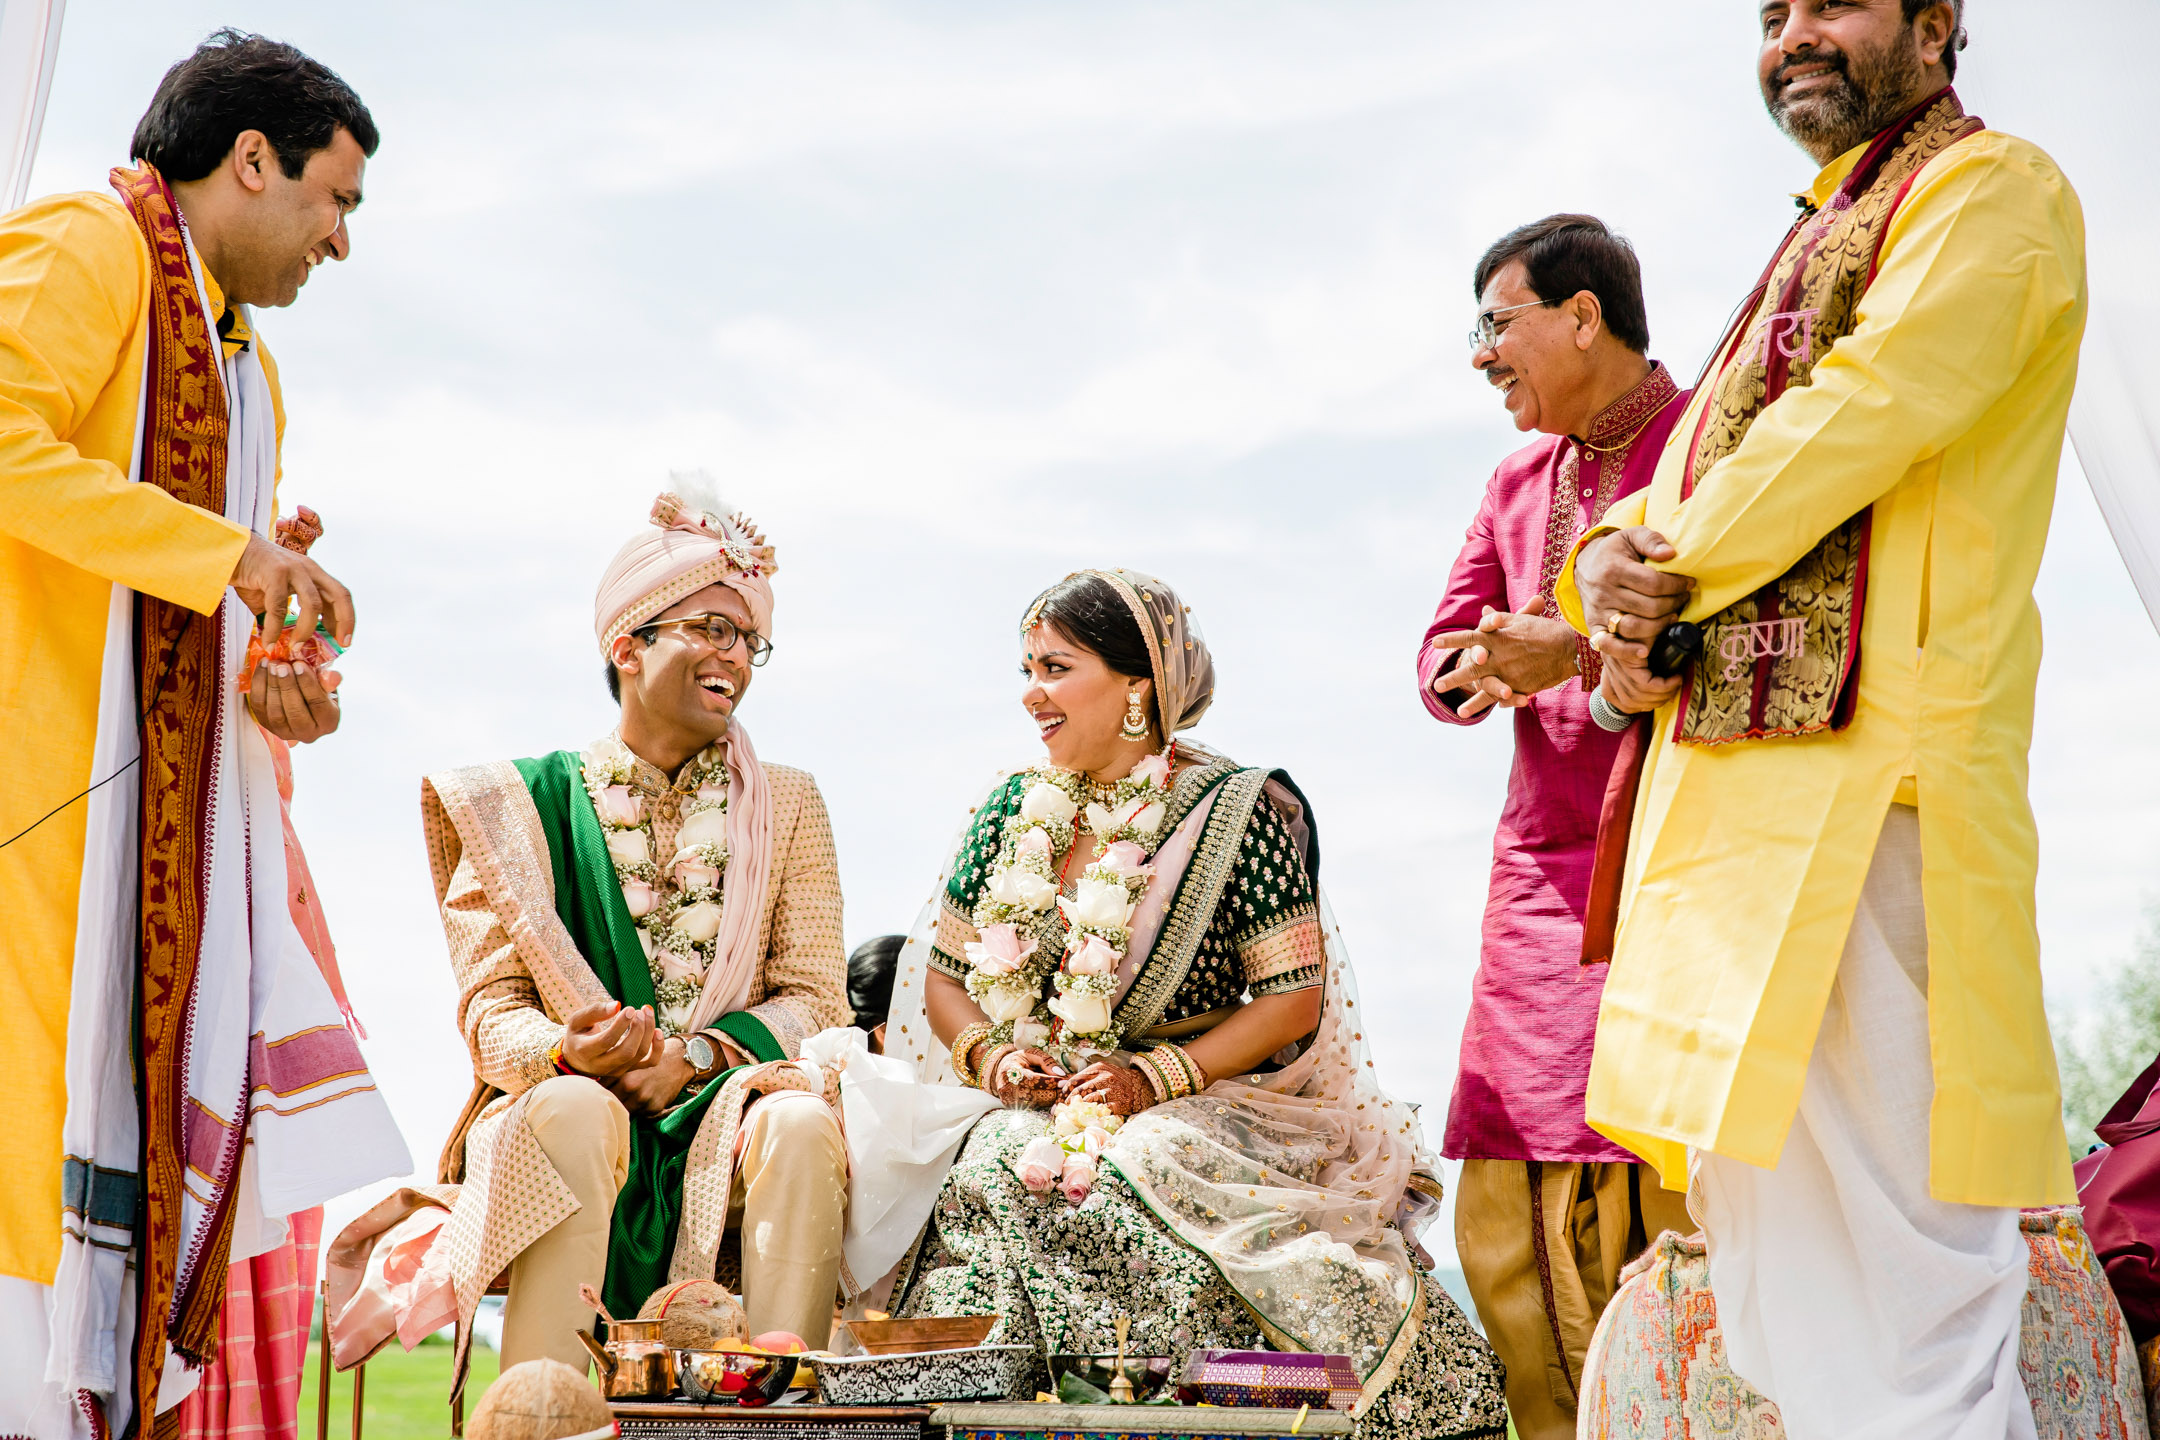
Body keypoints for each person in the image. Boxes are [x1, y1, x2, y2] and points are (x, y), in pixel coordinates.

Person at [1555, 3, 2085, 1436]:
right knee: (1784, 1293)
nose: (1794, 32)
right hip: (1734, 801)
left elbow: (1862, 409)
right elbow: (1708, 457)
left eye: (1833, 2)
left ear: (1936, 23)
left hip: (1876, 791)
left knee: (1915, 1289)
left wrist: (1649, 562)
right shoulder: (1811, 233)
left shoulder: (1995, 192)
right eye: (1772, 12)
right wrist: (1598, 567)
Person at [0, 32, 409, 1438]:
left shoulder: (248, 371)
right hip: (38, 811)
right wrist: (230, 560)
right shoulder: (86, 245)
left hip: (152, 848)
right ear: (250, 161)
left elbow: (199, 599)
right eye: (334, 200)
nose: (339, 243)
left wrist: (281, 683)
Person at [882, 569, 1509, 1440]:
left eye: (1056, 668)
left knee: (1142, 1163)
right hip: (1040, 1101)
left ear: (1138, 685)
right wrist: (991, 1056)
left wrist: (1154, 1077)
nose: (1032, 696)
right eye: (1026, 670)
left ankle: (1209, 1408)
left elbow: (1292, 998)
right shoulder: (1005, 812)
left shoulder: (1239, 808)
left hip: (1200, 1100)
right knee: (994, 1156)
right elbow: (943, 979)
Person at [410, 477, 851, 1396]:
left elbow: (816, 995)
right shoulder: (519, 806)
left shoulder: (793, 803)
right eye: (711, 628)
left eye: (749, 638)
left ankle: (778, 1409)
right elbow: (489, 1013)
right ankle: (541, 1412)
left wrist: (693, 1062)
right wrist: (573, 1053)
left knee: (805, 1124)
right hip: (572, 1094)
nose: (737, 653)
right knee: (572, 1112)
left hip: (728, 1098)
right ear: (627, 644)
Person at [1415, 215, 1691, 1440]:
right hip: (1543, 869)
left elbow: (1735, 629)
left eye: (1497, 324)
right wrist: (1483, 665)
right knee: (1515, 1170)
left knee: (1672, 1150)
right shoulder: (1518, 482)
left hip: (1690, 853)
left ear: (1583, 315)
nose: (1483, 356)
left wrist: (1571, 650)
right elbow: (1443, 648)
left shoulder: (1706, 444)